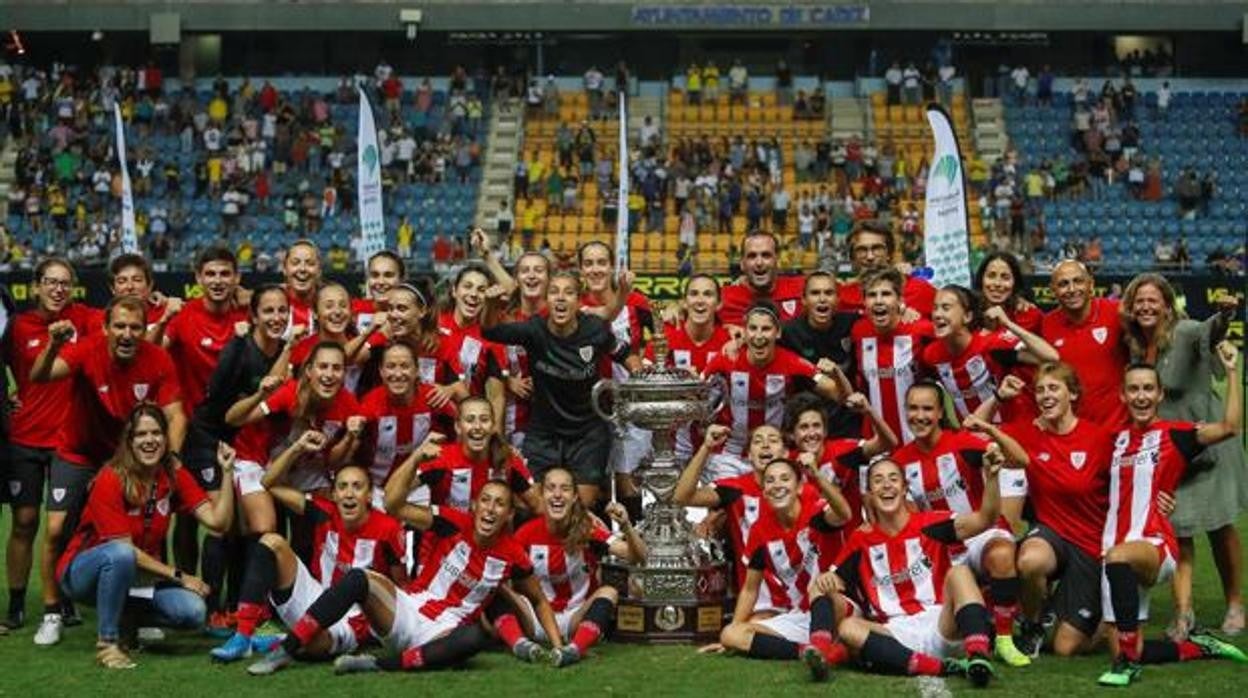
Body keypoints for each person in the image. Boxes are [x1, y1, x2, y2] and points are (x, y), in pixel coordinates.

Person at [247, 481, 564, 675]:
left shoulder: (514, 555)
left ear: (509, 514)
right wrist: (417, 461)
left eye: (500, 504)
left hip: (444, 630)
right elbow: (395, 504)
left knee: (473, 640)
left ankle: (376, 665)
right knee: (359, 579)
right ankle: (284, 651)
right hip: (408, 608)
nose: (491, 509)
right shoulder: (452, 522)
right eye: (486, 501)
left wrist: (558, 645)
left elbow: (537, 599)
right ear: (474, 505)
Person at [30, 294, 187, 647]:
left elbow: (176, 414)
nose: (127, 334)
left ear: (143, 329)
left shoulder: (157, 358)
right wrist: (54, 346)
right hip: (79, 452)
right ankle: (53, 612)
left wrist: (168, 459)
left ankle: (141, 613)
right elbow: (40, 375)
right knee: (55, 530)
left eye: (135, 327)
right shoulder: (88, 349)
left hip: (129, 458)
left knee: (151, 528)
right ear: (105, 328)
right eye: (119, 326)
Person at [1096, 354, 1246, 686]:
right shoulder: (1114, 439)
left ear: (1160, 395)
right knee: (1126, 644)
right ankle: (1198, 648)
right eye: (1133, 389)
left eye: (1148, 388)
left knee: (1119, 559)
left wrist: (1233, 372)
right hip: (1112, 548)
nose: (1141, 396)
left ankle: (1127, 667)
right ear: (1123, 395)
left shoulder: (1174, 435)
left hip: (1154, 545)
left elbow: (1230, 427)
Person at [57, 406, 234, 668]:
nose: (149, 440)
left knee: (193, 612)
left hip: (137, 574)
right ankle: (108, 643)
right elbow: (122, 548)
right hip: (82, 574)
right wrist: (179, 576)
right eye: (141, 435)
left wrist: (227, 472)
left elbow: (218, 523)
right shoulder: (110, 478)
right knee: (120, 554)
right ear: (129, 441)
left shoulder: (173, 475)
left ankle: (128, 618)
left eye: (156, 433)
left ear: (166, 439)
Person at [1119, 273, 1246, 638]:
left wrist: (1225, 315)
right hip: (1171, 450)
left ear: (1167, 304)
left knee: (1220, 527)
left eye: (1152, 300)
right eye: (1139, 301)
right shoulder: (1135, 345)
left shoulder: (1187, 331)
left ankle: (1236, 603)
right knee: (1178, 529)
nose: (1145, 306)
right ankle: (1183, 612)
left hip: (1210, 441)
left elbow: (1214, 331)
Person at [210, 430, 407, 663]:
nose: (349, 494)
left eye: (357, 486)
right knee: (271, 542)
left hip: (354, 620)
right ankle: (243, 637)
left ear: (369, 496)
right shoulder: (325, 512)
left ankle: (284, 640)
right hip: (315, 595)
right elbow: (268, 482)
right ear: (333, 494)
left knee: (312, 645)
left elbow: (399, 586)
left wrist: (379, 629)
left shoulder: (388, 529)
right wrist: (297, 447)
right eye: (342, 487)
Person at [825, 454, 1008, 687]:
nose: (887, 485)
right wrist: (826, 579)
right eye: (878, 480)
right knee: (848, 627)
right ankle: (940, 667)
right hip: (896, 634)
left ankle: (978, 656)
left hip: (941, 623)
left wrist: (992, 478)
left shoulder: (931, 523)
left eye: (893, 479)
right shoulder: (860, 539)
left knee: (960, 573)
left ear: (904, 489)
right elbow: (834, 580)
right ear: (869, 495)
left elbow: (986, 519)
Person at [891, 382, 1033, 667]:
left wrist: (991, 431)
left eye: (927, 408)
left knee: (1002, 554)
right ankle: (974, 628)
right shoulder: (900, 462)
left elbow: (1021, 460)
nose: (920, 416)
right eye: (913, 408)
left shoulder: (962, 443)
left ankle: (1005, 638)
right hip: (941, 547)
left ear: (941, 412)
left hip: (981, 531)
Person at [185, 284, 296, 634]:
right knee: (221, 524)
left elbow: (274, 384)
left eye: (282, 311)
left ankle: (241, 605)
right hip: (210, 442)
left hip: (246, 448)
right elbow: (220, 408)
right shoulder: (238, 350)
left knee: (247, 528)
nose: (276, 318)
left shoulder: (279, 350)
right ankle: (212, 607)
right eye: (268, 311)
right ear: (254, 316)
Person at [481, 272, 641, 506]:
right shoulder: (533, 330)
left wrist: (642, 380)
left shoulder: (595, 330)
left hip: (588, 434)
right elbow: (489, 331)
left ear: (579, 301)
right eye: (554, 292)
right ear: (546, 300)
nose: (561, 298)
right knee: (532, 503)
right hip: (544, 433)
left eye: (569, 293)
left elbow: (625, 354)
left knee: (581, 506)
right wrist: (490, 307)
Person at [2, 258, 101, 633]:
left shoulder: (87, 319)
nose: (58, 289)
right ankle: (15, 605)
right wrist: (7, 399)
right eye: (50, 282)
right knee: (24, 522)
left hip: (68, 440)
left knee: (63, 526)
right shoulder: (18, 326)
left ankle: (62, 598)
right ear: (36, 287)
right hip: (24, 437)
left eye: (65, 283)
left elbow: (125, 318)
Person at [990, 362, 1116, 657]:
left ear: (1072, 394)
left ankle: (1106, 622)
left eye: (1053, 388)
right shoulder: (1029, 434)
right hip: (1052, 533)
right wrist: (999, 398)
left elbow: (1124, 489)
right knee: (1031, 560)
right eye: (1040, 390)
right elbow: (973, 428)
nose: (1045, 395)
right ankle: (1033, 626)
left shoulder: (1098, 439)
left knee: (1065, 648)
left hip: (1090, 545)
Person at [491, 467, 647, 666]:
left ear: (574, 497)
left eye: (565, 489)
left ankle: (574, 650)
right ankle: (520, 645)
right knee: (495, 587)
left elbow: (638, 557)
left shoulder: (588, 531)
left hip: (576, 616)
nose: (557, 494)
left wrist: (626, 526)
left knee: (609, 592)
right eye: (551, 488)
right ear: (542, 495)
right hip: (534, 617)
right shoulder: (526, 534)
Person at [717, 458, 852, 681]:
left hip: (837, 605)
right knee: (731, 633)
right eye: (770, 480)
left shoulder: (815, 513)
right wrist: (735, 631)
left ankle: (821, 647)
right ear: (764, 491)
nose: (777, 484)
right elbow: (750, 590)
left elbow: (844, 514)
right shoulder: (760, 531)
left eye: (785, 478)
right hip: (800, 615)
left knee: (818, 586)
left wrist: (817, 476)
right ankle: (810, 652)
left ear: (799, 486)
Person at [162, 247, 247, 578]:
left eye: (225, 273)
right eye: (210, 274)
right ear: (197, 278)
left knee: (234, 517)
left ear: (237, 278)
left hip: (239, 431)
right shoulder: (184, 317)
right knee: (187, 516)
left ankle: (227, 600)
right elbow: (154, 354)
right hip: (193, 431)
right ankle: (188, 584)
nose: (218, 280)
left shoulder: (246, 317)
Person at [702, 304, 846, 480]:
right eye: (753, 328)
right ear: (745, 332)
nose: (759, 336)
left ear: (777, 333)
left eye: (766, 329)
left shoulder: (793, 364)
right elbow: (697, 393)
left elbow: (838, 394)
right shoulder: (726, 357)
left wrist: (836, 374)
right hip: (729, 457)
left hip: (776, 458)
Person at [922, 285, 1058, 423]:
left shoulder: (992, 344)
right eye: (935, 308)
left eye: (946, 308)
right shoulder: (931, 355)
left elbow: (1051, 357)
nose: (937, 314)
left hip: (1006, 433)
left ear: (967, 316)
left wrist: (1008, 324)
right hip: (970, 437)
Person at [383, 397, 540, 515]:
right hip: (443, 549)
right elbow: (390, 497)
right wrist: (415, 457)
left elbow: (538, 506)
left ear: (493, 426)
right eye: (470, 420)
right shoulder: (440, 458)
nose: (477, 427)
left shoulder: (507, 460)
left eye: (484, 420)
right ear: (458, 427)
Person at [357, 342, 458, 508]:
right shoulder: (369, 404)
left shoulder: (433, 398)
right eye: (391, 366)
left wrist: (453, 392)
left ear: (417, 370)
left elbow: (459, 433)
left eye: (405, 366)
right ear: (381, 372)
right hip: (376, 489)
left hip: (419, 488)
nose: (398, 374)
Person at [647, 274, 732, 460]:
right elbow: (643, 379)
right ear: (684, 302)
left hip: (721, 452)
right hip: (671, 449)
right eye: (694, 294)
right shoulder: (665, 337)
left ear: (718, 304)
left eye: (707, 294)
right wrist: (675, 379)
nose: (700, 301)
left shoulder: (729, 341)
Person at [785, 391, 896, 531]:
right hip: (810, 548)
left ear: (825, 431)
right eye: (804, 427)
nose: (812, 433)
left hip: (850, 544)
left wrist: (869, 411)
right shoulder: (787, 466)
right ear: (791, 434)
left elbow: (888, 443)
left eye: (816, 426)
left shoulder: (843, 451)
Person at [850, 268, 934, 443]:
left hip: (917, 440)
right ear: (864, 302)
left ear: (900, 300)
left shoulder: (921, 329)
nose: (879, 301)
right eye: (872, 295)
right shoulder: (858, 332)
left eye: (886, 294)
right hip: (876, 442)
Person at [1040, 260, 1128, 426]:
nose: (1072, 289)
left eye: (1078, 281)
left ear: (1090, 284)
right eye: (1063, 284)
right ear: (1053, 290)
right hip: (1074, 432)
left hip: (1119, 427)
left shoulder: (1117, 312)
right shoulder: (1046, 324)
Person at [779, 272, 861, 438]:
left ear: (838, 299)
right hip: (806, 427)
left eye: (828, 293)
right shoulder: (788, 332)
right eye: (815, 293)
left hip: (847, 425)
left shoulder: (852, 323)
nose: (822, 299)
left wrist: (903, 309)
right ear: (803, 300)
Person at [835, 222, 937, 318]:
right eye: (861, 250)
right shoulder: (841, 299)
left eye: (877, 248)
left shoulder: (920, 291)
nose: (870, 256)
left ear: (889, 253)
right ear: (852, 258)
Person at [719, 232, 806, 328]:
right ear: (742, 263)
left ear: (777, 260)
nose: (759, 263)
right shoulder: (722, 299)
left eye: (766, 255)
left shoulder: (803, 288)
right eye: (752, 256)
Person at [352, 251, 405, 334]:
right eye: (374, 275)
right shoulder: (352, 309)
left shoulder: (413, 314)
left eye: (388, 275)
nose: (381, 282)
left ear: (401, 280)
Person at [281, 240, 323, 333]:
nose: (302, 269)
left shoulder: (333, 307)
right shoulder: (267, 304)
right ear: (284, 268)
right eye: (295, 263)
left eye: (310, 263)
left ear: (319, 270)